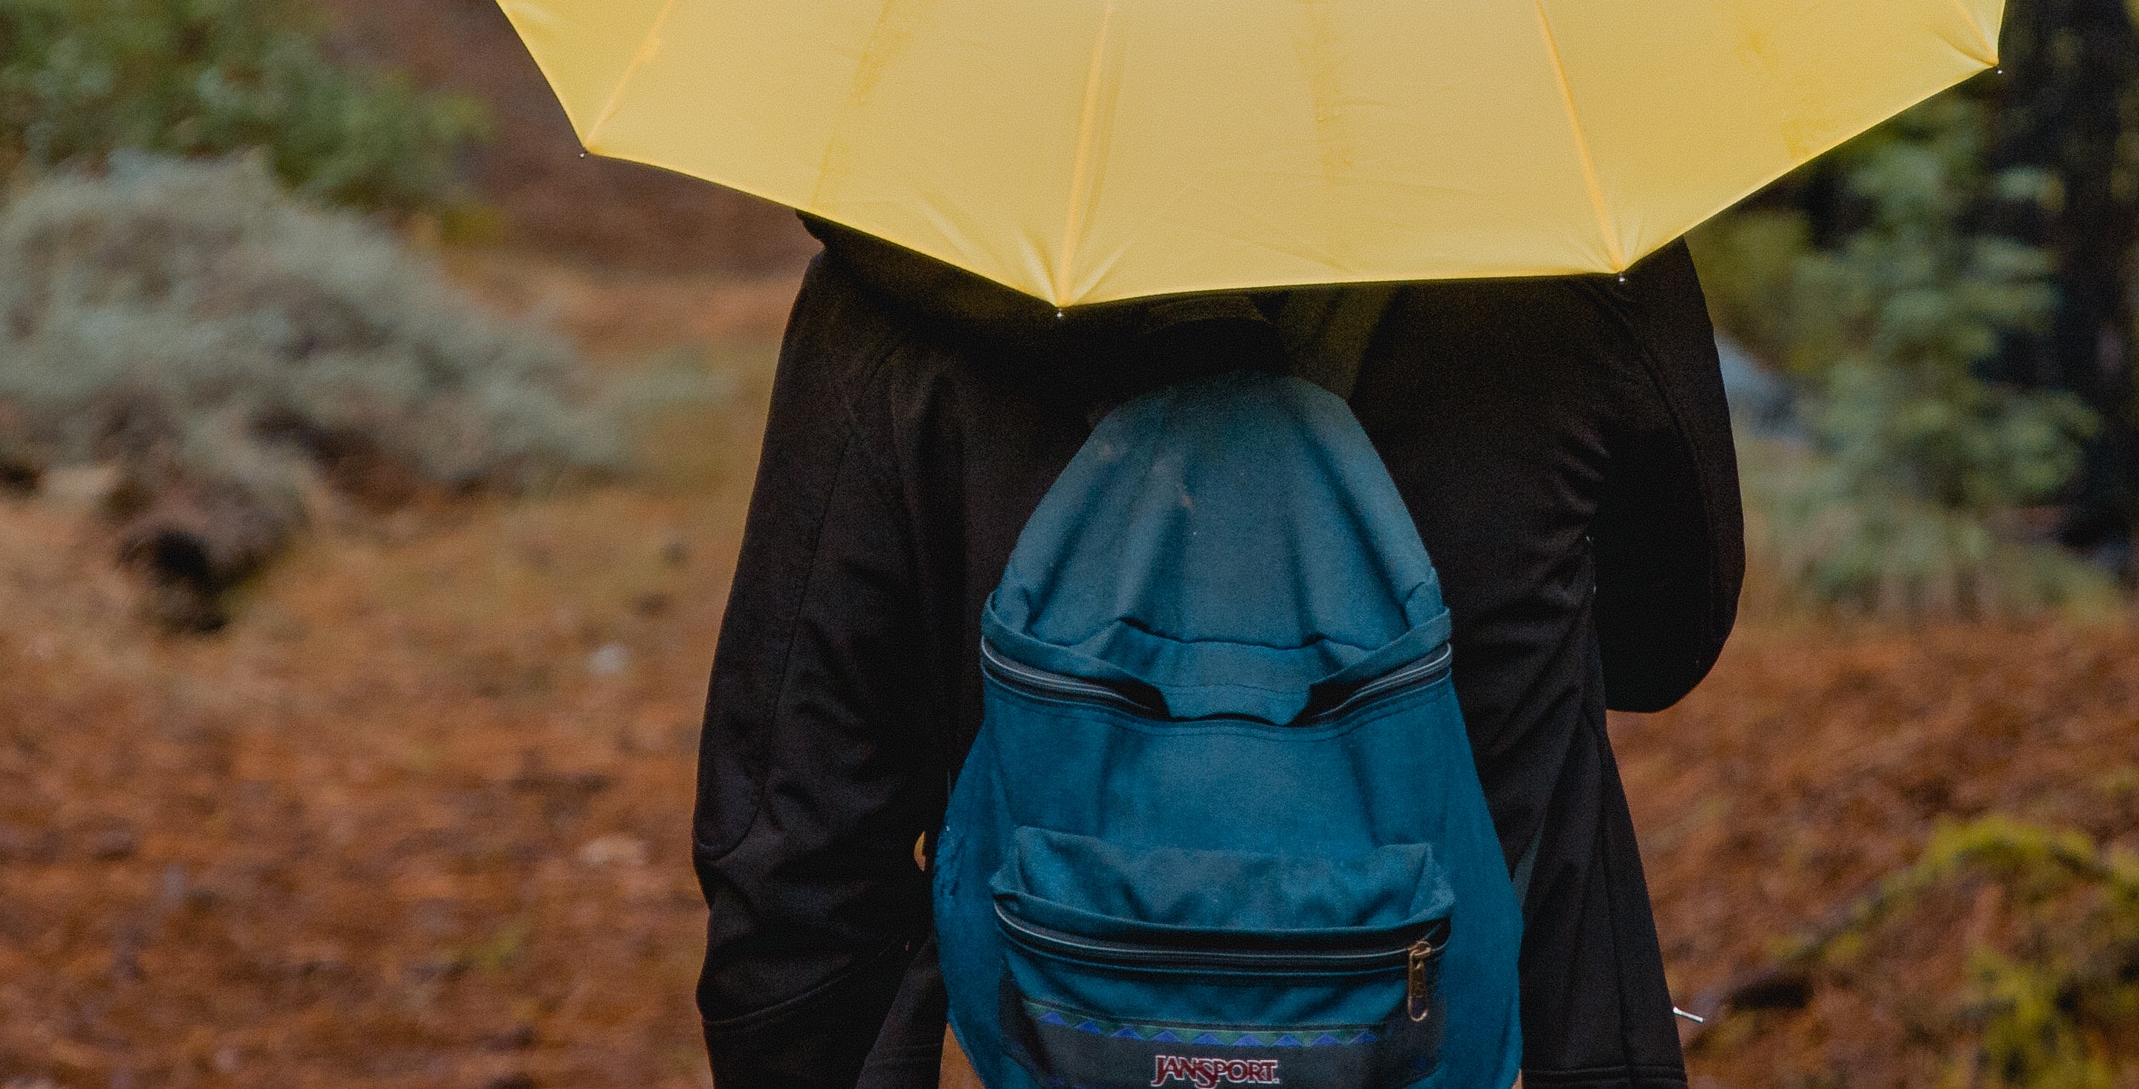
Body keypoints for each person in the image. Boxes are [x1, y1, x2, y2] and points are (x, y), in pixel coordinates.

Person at [692, 219, 1745, 1089]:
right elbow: (1662, 650)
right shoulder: (1566, 245)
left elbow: (793, 835)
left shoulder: (909, 273)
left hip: (1061, 1036)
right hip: (1517, 1031)